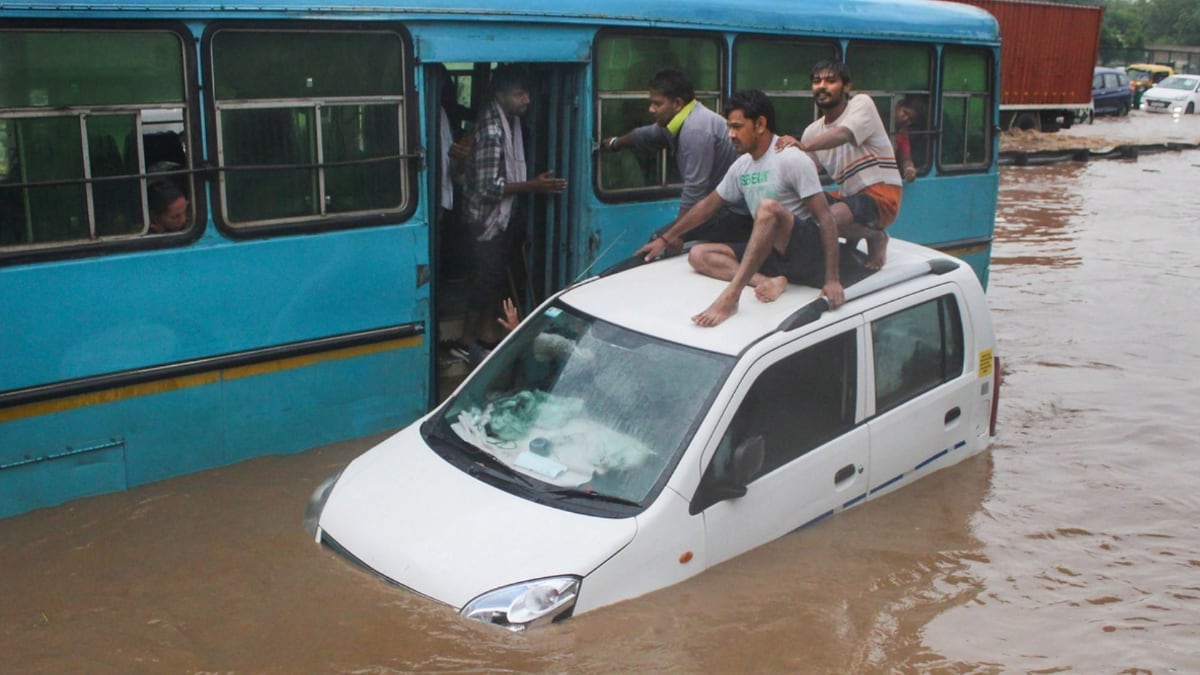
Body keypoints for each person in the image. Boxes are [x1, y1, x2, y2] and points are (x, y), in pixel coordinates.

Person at [636, 90, 842, 328]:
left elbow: (826, 218)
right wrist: (665, 238)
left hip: (803, 250)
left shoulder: (791, 159)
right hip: (771, 253)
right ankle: (768, 281)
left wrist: (832, 280)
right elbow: (708, 205)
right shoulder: (742, 166)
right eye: (729, 127)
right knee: (698, 255)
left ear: (760, 124)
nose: (731, 135)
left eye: (737, 127)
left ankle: (731, 296)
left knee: (767, 208)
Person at [455, 64, 566, 367]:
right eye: (519, 94)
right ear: (501, 95)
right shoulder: (493, 130)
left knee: (492, 279)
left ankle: (484, 336)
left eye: (527, 94)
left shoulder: (511, 122)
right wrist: (533, 186)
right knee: (485, 281)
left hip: (498, 217)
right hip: (485, 219)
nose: (526, 100)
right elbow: (489, 188)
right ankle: (468, 342)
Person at [601, 69, 751, 246]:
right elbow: (646, 135)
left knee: (660, 242)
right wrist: (615, 143)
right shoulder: (678, 120)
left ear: (678, 103)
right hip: (716, 205)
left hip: (736, 211)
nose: (651, 109)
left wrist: (676, 235)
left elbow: (695, 189)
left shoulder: (695, 130)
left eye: (657, 104)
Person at [777, 60, 903, 269]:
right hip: (848, 197)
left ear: (846, 86)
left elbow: (843, 134)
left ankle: (875, 236)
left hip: (881, 197)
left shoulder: (862, 104)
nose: (822, 86)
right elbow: (804, 173)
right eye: (816, 81)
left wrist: (802, 145)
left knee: (826, 221)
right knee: (800, 206)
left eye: (830, 80)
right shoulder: (812, 131)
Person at [893, 96, 926, 183]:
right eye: (905, 112)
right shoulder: (878, 122)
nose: (906, 118)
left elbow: (906, 158)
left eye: (910, 120)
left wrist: (909, 168)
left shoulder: (902, 132)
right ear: (898, 106)